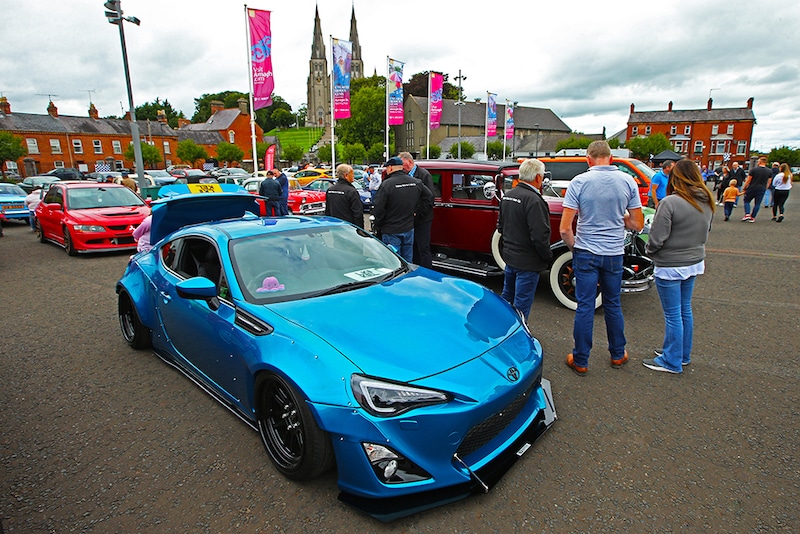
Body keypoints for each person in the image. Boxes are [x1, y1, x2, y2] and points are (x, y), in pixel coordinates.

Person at [559, 140, 644, 376]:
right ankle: (618, 354)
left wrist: (575, 249)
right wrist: (618, 218)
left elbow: (565, 229)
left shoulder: (580, 182)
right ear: (612, 159)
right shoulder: (628, 181)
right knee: (613, 304)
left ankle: (581, 359)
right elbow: (637, 223)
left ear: (588, 159)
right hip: (614, 253)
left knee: (585, 306)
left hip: (587, 251)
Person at [643, 159, 714, 374]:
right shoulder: (707, 200)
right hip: (694, 261)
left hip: (670, 264)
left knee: (673, 314)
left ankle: (671, 360)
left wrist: (650, 251)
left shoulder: (671, 202)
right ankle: (680, 354)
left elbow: (656, 237)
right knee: (684, 310)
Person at [496, 158, 552, 320]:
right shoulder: (534, 200)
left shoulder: (508, 196)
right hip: (528, 262)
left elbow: (501, 227)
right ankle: (518, 338)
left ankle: (502, 330)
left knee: (507, 299)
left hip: (510, 258)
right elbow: (540, 236)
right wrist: (547, 256)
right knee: (521, 304)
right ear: (538, 178)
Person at [372, 156, 433, 263]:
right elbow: (429, 197)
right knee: (408, 261)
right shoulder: (415, 182)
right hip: (408, 228)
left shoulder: (387, 185)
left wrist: (378, 225)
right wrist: (417, 212)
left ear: (390, 168)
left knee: (394, 261)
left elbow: (379, 208)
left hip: (391, 230)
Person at [399, 152, 435, 268]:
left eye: (403, 164)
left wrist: (417, 213)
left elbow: (430, 198)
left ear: (409, 162)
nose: (401, 167)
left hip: (422, 218)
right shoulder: (402, 176)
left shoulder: (424, 175)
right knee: (412, 247)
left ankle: (427, 271)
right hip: (408, 218)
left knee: (423, 247)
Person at [741, 156, 772, 222]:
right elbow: (769, 182)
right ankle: (753, 217)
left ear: (760, 162)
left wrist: (744, 187)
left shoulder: (754, 170)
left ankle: (747, 214)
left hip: (752, 187)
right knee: (757, 203)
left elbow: (748, 180)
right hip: (762, 188)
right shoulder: (769, 171)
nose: (757, 162)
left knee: (746, 200)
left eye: (758, 161)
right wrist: (765, 188)